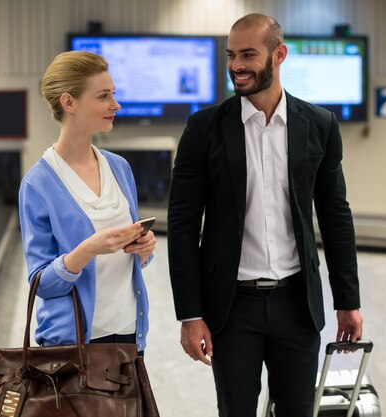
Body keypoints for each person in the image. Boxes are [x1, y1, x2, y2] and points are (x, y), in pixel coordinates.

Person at [167, 13, 363, 417]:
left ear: (279, 54)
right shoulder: (203, 129)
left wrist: (348, 300)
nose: (236, 65)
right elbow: (183, 225)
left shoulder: (319, 125)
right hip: (231, 306)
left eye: (248, 54)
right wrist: (190, 314)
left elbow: (335, 215)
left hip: (297, 304)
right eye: (231, 55)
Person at [18, 51, 156, 352]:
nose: (115, 105)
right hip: (74, 346)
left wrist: (144, 249)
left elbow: (130, 260)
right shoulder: (38, 184)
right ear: (69, 103)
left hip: (130, 333)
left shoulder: (119, 168)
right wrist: (90, 248)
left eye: (114, 94)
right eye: (104, 96)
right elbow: (41, 284)